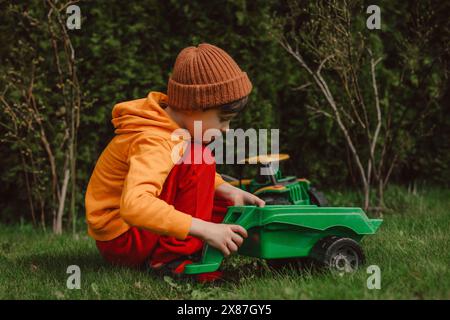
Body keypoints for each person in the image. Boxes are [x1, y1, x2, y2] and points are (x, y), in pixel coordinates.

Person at [85, 43, 265, 283]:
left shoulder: (170, 130)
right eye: (222, 120)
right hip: (123, 238)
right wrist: (204, 228)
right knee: (199, 160)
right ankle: (173, 261)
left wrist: (226, 189)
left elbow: (176, 178)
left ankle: (223, 239)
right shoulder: (154, 139)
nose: (226, 130)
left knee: (223, 203)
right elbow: (134, 206)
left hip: (132, 233)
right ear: (194, 106)